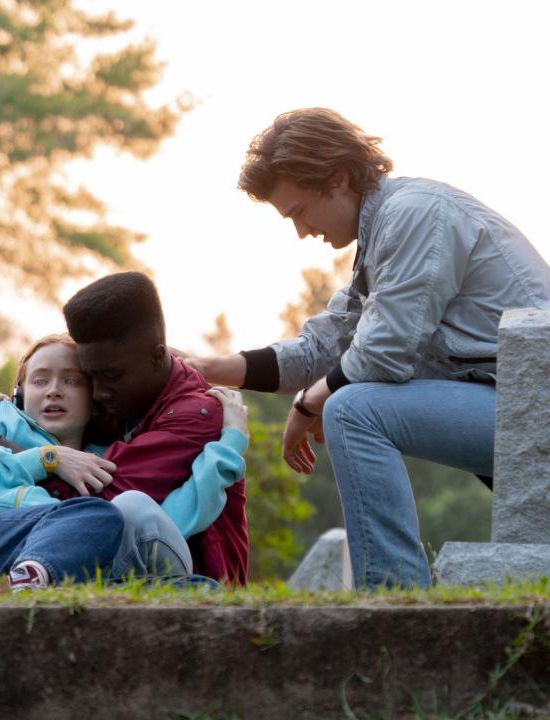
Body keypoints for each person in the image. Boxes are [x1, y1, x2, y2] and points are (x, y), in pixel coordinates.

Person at [181, 107, 550, 589]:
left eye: (298, 211)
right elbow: (322, 348)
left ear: (337, 179)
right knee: (348, 397)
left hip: (534, 416)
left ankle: (394, 596)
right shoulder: (383, 236)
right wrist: (208, 368)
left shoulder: (415, 215)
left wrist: (310, 401)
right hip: (514, 412)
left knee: (353, 408)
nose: (301, 231)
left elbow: (383, 351)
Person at [0, 272, 251, 585]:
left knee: (129, 507)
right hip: (97, 571)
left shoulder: (195, 413)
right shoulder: (115, 399)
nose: (99, 392)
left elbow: (93, 507)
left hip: (188, 578)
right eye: (90, 376)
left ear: (157, 358)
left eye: (107, 376)